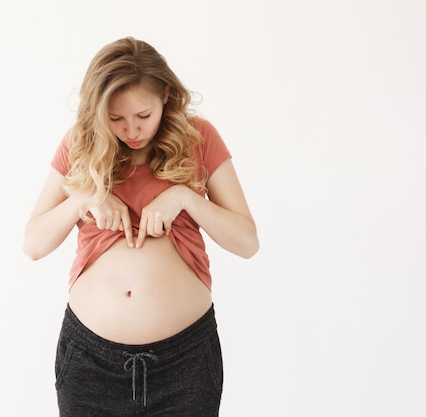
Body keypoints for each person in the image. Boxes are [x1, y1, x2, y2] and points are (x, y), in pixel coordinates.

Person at [23, 37, 259, 417]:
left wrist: (185, 198)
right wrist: (85, 198)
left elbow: (247, 242)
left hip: (185, 363)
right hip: (90, 363)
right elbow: (33, 244)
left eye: (143, 115)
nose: (131, 130)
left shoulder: (200, 138)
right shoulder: (80, 145)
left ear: (166, 95)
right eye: (115, 119)